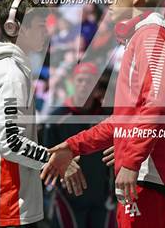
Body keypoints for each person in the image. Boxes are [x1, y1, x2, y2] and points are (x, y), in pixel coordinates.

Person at [41, 0, 165, 228]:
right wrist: (72, 147)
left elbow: (156, 105)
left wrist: (130, 162)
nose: (110, 0)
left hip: (145, 175)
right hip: (142, 172)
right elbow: (126, 118)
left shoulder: (151, 35)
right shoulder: (144, 36)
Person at [0, 0, 81, 227]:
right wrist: (55, 160)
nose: (46, 32)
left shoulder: (1, 68)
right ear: (14, 27)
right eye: (41, 26)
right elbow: (10, 141)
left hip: (0, 199)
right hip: (8, 202)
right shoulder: (10, 73)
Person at [43, 62, 111, 228]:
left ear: (96, 87)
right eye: (80, 80)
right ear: (72, 83)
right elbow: (44, 156)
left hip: (102, 198)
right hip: (68, 199)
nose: (84, 85)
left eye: (89, 81)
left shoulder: (109, 117)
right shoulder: (56, 118)